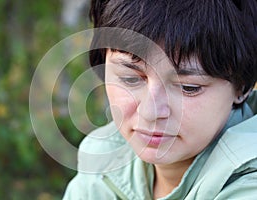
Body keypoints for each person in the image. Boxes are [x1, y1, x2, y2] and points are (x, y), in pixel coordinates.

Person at [63, 0, 257, 199]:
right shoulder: (98, 173)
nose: (150, 112)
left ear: (243, 86)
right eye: (130, 79)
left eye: (188, 88)